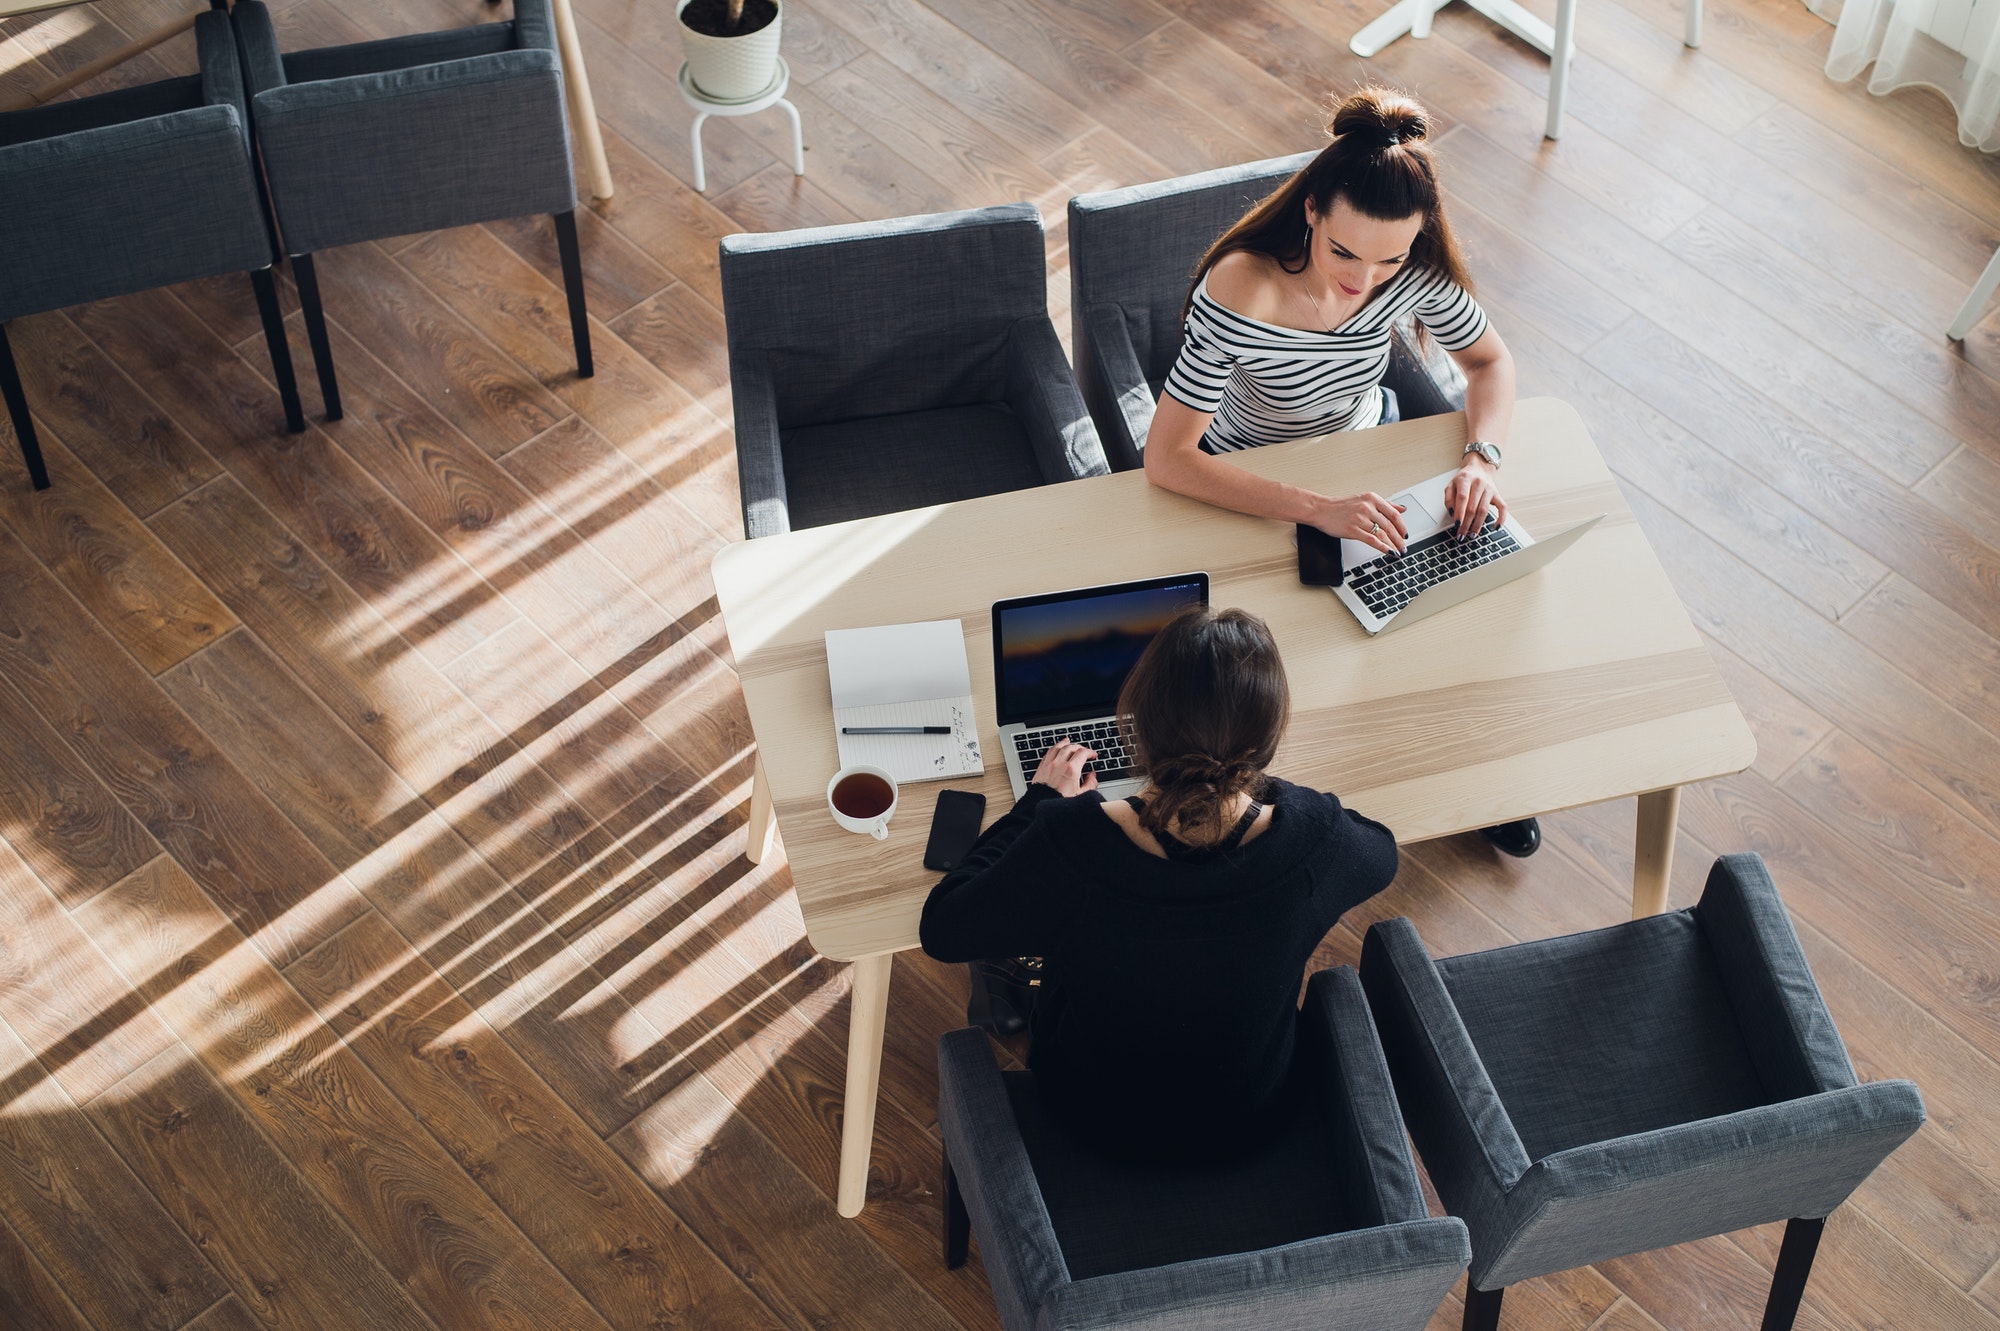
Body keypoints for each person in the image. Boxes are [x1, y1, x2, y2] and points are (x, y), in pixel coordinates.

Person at [1143, 84, 1541, 858]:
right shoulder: (1242, 288)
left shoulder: (1414, 274)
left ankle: (1478, 778)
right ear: (1313, 210)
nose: (1362, 283)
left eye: (1389, 260)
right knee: (1274, 661)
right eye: (1345, 254)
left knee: (1448, 617)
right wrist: (1313, 508)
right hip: (1246, 477)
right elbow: (1168, 458)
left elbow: (1491, 363)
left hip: (1364, 458)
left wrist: (1481, 459)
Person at [919, 606, 1397, 1162]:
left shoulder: (1072, 843)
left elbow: (943, 928)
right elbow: (1380, 851)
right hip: (1249, 1119)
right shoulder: (1316, 843)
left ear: (1139, 734)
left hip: (1095, 1121)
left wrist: (1041, 803)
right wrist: (1261, 786)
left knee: (1031, 926)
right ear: (1266, 744)